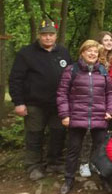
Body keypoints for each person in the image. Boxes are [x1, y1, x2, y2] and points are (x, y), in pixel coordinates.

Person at [9, 20, 72, 181]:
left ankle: (54, 162)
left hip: (58, 104)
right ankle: (33, 165)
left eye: (51, 34)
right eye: (44, 35)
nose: (48, 38)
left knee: (58, 134)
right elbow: (16, 79)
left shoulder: (63, 53)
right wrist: (18, 102)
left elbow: (72, 77)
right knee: (34, 134)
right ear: (39, 35)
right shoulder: (26, 53)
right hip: (34, 104)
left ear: (56, 36)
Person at [56, 40, 112, 194]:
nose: (92, 54)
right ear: (82, 52)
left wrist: (110, 110)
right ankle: (68, 181)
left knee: (102, 150)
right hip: (76, 116)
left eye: (95, 52)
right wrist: (65, 114)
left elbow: (110, 93)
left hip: (99, 117)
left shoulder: (102, 71)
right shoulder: (71, 70)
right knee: (73, 150)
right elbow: (62, 94)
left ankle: (105, 179)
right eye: (89, 51)